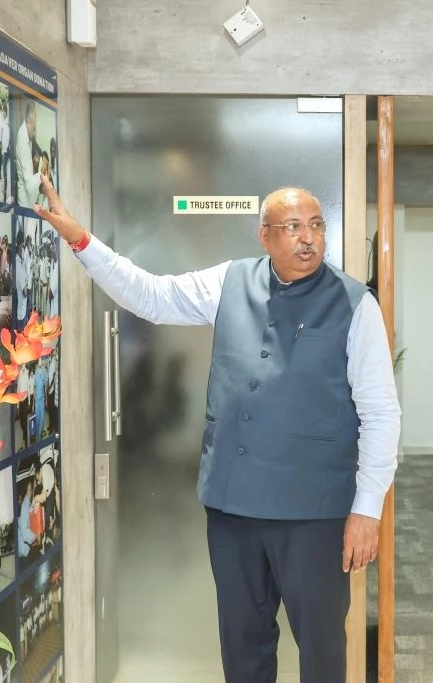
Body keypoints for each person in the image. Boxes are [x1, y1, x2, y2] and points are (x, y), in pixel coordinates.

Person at [35, 174, 400, 683]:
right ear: (265, 235)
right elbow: (151, 296)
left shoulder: (356, 304)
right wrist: (81, 240)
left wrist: (366, 510)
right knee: (243, 647)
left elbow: (381, 414)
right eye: (293, 227)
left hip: (314, 513)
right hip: (233, 507)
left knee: (322, 651)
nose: (308, 238)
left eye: (316, 225)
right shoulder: (229, 282)